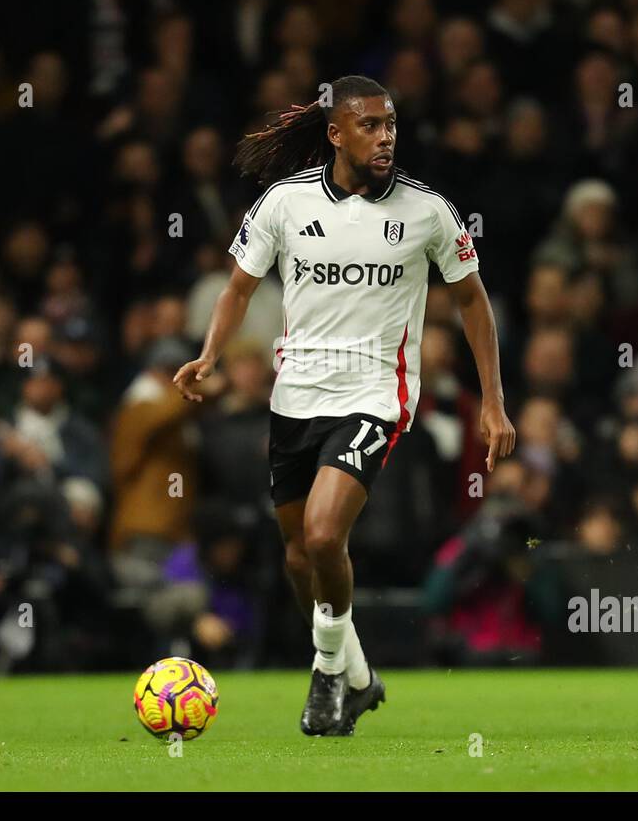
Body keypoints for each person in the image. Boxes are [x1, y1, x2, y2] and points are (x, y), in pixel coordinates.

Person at [173, 75, 515, 735]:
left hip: (374, 397)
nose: (385, 137)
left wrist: (493, 402)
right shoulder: (284, 203)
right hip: (294, 396)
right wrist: (211, 354)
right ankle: (357, 675)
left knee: (327, 535)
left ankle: (327, 676)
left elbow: (473, 301)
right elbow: (239, 288)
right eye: (369, 126)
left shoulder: (427, 212)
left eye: (390, 125)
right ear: (336, 133)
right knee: (300, 557)